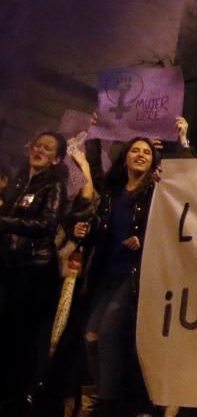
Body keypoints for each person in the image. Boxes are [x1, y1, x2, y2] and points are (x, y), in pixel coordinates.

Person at [73, 138, 159, 417]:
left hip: (132, 276)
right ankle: (104, 394)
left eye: (147, 152)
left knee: (109, 332)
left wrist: (142, 238)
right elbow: (101, 230)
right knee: (91, 338)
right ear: (126, 158)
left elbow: (164, 228)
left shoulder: (155, 194)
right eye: (135, 150)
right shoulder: (112, 194)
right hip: (106, 275)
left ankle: (107, 402)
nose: (141, 155)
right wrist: (86, 233)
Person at [0, 132, 69, 415]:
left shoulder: (54, 184)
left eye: (47, 148)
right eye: (37, 145)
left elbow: (46, 223)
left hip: (35, 268)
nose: (39, 150)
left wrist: (3, 220)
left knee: (24, 334)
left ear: (57, 158)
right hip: (10, 265)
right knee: (5, 328)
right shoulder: (18, 180)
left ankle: (18, 395)